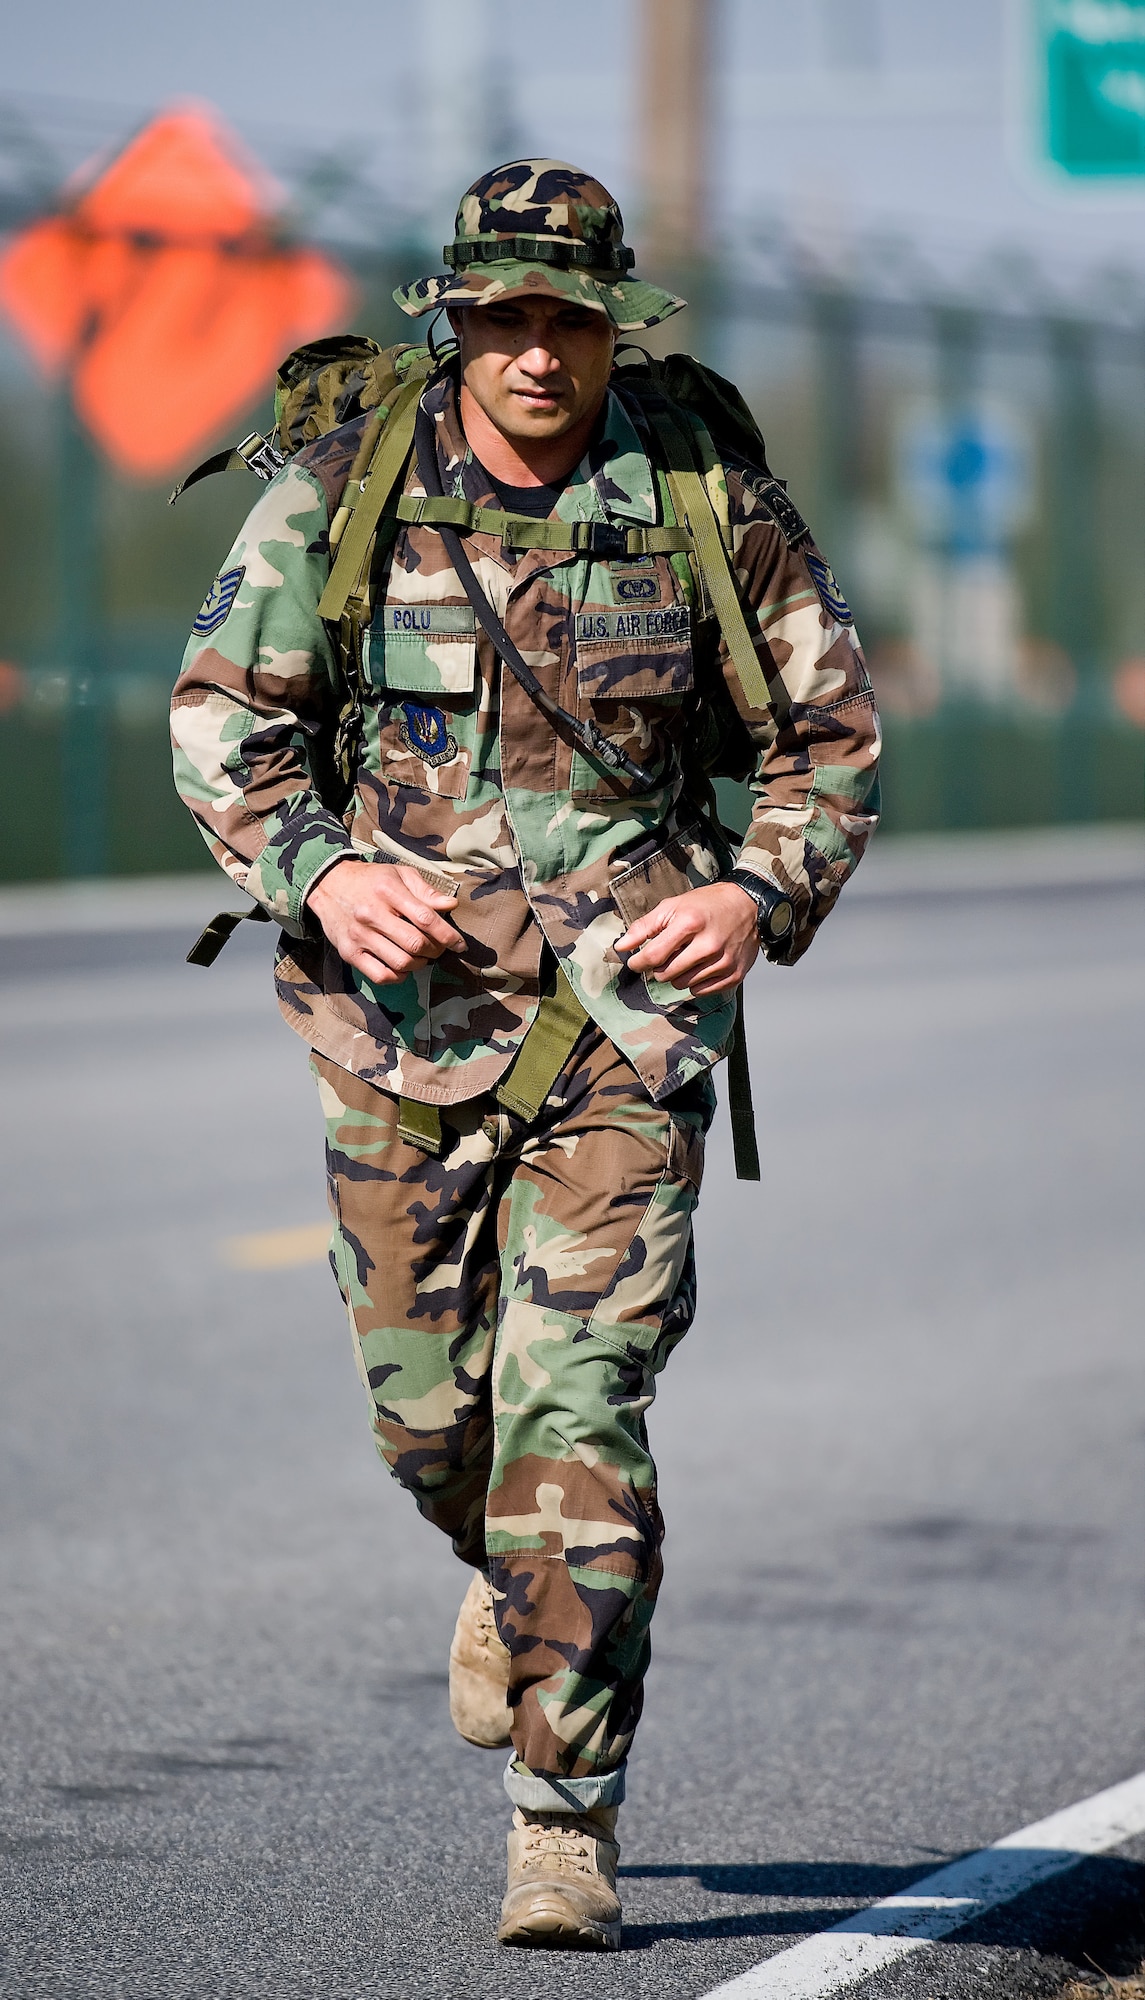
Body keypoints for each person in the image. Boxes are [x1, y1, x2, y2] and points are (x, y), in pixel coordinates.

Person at [171, 158, 880, 1951]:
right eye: (505, 322)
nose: (539, 356)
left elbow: (829, 738)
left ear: (611, 323)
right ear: (455, 322)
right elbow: (223, 725)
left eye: (569, 320)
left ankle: (563, 1824)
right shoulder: (345, 490)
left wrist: (749, 893)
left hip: (620, 1037)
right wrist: (322, 871)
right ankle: (505, 1567)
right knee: (433, 1434)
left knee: (577, 1422)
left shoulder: (704, 497)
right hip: (397, 1036)